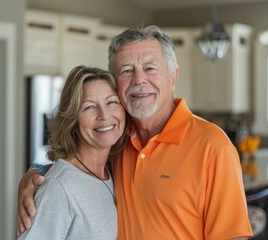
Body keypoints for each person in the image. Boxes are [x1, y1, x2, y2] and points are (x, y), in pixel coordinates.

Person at [17, 25, 253, 239]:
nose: (139, 79)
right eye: (127, 70)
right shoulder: (116, 138)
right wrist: (36, 175)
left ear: (173, 76)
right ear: (116, 82)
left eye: (150, 68)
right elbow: (76, 172)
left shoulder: (213, 146)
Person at [17, 65, 129, 239]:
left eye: (112, 102)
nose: (104, 115)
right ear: (72, 120)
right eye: (89, 107)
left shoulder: (113, 170)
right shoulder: (58, 189)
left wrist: (36, 168)